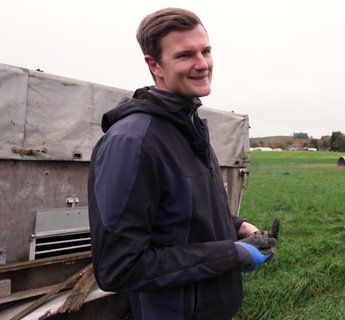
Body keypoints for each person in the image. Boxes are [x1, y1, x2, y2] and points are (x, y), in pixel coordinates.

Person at [88, 7, 277, 320]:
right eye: (185, 55)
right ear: (155, 65)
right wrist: (231, 253)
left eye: (206, 51)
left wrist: (237, 226)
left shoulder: (189, 128)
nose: (202, 64)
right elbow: (119, 267)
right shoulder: (132, 142)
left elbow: (181, 210)